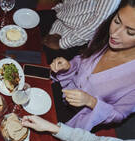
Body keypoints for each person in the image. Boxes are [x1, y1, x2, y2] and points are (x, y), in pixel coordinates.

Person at [50, 0, 135, 131]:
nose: (115, 33)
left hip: (77, 119)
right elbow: (81, 60)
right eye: (117, 21)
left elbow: (119, 115)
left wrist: (91, 102)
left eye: (130, 32)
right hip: (61, 89)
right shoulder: (104, 36)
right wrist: (68, 67)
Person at [39, 0, 120, 63]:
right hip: (60, 17)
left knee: (36, 60)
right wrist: (58, 9)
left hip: (73, 36)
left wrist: (62, 43)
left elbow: (99, 22)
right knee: (28, 31)